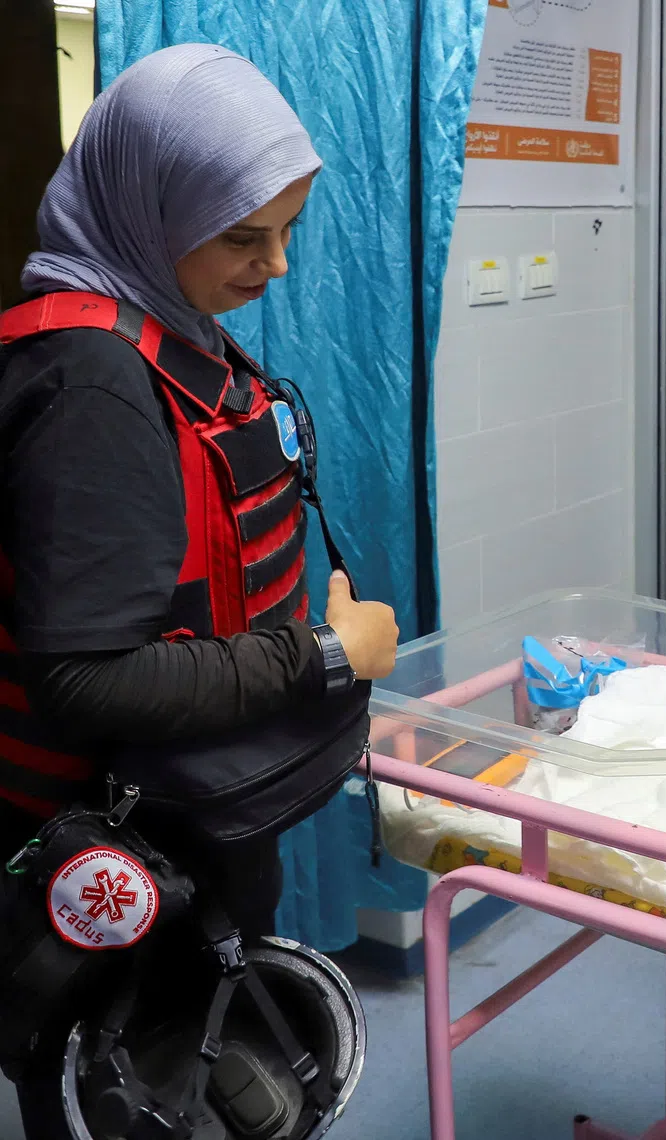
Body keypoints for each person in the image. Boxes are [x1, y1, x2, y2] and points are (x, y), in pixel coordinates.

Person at [0, 44, 400, 1139]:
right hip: (114, 833)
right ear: (146, 206)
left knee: (200, 1048)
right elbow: (84, 676)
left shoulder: (167, 328)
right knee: (130, 1083)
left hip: (188, 802)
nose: (275, 269)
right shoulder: (93, 385)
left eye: (287, 231)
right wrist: (325, 654)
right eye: (242, 235)